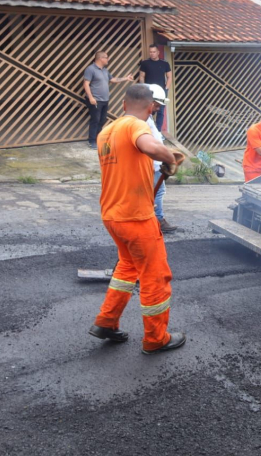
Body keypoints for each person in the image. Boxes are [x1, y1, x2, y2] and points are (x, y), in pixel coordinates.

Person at [88, 84, 187, 355]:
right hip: (136, 217)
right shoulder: (136, 125)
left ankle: (106, 322)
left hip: (112, 215)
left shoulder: (106, 131)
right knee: (155, 276)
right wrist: (170, 158)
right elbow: (150, 147)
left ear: (122, 104)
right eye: (153, 108)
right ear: (150, 107)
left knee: (127, 268)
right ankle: (156, 338)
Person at [144, 84, 178, 234]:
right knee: (157, 192)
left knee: (157, 192)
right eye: (157, 105)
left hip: (155, 163)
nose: (158, 108)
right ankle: (158, 220)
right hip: (152, 164)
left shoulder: (148, 118)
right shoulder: (143, 120)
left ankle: (155, 220)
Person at [83, 51, 134, 149]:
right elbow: (86, 84)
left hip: (105, 100)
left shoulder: (105, 70)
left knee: (102, 120)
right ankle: (92, 141)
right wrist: (91, 97)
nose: (108, 59)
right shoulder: (90, 69)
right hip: (95, 100)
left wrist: (126, 78)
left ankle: (98, 139)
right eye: (106, 57)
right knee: (95, 120)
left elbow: (113, 80)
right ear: (100, 58)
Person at [138, 45, 172, 132]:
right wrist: (144, 87)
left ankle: (158, 132)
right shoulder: (145, 63)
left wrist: (166, 89)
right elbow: (142, 76)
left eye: (154, 52)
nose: (152, 54)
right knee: (148, 111)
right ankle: (147, 130)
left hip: (162, 91)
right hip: (149, 91)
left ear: (158, 52)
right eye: (150, 52)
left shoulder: (164, 63)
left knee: (160, 112)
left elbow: (169, 77)